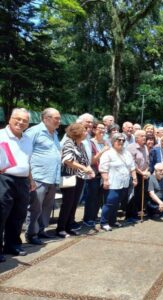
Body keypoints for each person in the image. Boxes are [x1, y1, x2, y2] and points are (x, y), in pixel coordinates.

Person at [0, 108, 34, 260]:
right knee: (1, 214)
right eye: (18, 119)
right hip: (4, 179)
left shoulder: (27, 139)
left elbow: (28, 161)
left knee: (18, 215)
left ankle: (12, 245)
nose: (21, 122)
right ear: (10, 119)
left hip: (23, 181)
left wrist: (31, 179)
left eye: (25, 120)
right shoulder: (1, 135)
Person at [25, 108, 61, 245]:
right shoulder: (34, 131)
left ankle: (41, 230)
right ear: (46, 119)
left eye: (59, 118)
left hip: (52, 177)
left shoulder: (55, 133)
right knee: (35, 207)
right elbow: (25, 153)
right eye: (56, 118)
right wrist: (30, 177)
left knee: (46, 207)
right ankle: (31, 234)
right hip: (38, 177)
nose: (59, 121)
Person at [57, 123, 95, 238]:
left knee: (74, 203)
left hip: (79, 177)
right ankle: (61, 228)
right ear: (77, 132)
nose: (86, 132)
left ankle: (69, 226)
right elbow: (67, 160)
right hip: (69, 177)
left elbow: (84, 161)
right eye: (84, 130)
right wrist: (84, 168)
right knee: (67, 203)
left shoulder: (81, 144)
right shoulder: (69, 143)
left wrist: (90, 170)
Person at [99, 133, 137, 231]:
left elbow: (132, 167)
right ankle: (104, 222)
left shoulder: (126, 153)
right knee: (110, 203)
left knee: (117, 203)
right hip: (112, 183)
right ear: (113, 141)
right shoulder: (108, 153)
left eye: (123, 140)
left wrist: (134, 178)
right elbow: (103, 168)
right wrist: (106, 180)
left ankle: (113, 221)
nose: (121, 142)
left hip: (124, 183)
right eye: (118, 140)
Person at [82, 122, 109, 227]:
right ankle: (88, 219)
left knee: (99, 198)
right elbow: (92, 160)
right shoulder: (90, 143)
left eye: (104, 129)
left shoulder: (107, 142)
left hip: (104, 174)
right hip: (94, 174)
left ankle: (94, 217)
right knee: (91, 198)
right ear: (94, 130)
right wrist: (103, 151)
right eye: (99, 128)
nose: (102, 131)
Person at [127, 130, 150, 222]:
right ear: (136, 138)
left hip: (143, 174)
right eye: (142, 136)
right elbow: (132, 163)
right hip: (134, 174)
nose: (144, 137)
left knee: (140, 195)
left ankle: (136, 213)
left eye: (145, 136)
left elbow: (147, 161)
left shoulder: (145, 147)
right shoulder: (131, 147)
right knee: (133, 195)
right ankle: (129, 216)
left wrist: (146, 171)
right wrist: (141, 172)